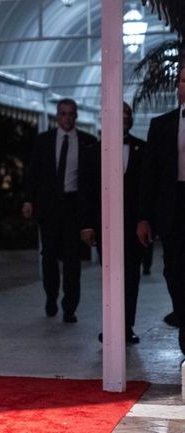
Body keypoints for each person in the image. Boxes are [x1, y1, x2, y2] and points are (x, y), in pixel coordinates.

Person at [22, 98, 98, 323]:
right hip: (50, 206)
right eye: (63, 113)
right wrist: (28, 200)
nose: (67, 118)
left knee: (73, 259)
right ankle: (51, 296)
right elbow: (33, 173)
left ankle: (70, 306)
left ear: (76, 116)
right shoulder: (44, 141)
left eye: (71, 113)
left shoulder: (87, 142)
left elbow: (92, 181)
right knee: (49, 257)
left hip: (74, 205)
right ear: (57, 116)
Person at [81, 102, 145, 344]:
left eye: (128, 113)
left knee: (132, 277)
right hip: (105, 225)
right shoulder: (93, 151)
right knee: (109, 277)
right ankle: (111, 326)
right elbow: (87, 191)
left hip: (134, 226)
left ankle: (127, 327)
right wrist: (87, 225)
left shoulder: (142, 148)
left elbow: (147, 190)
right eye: (120, 112)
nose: (125, 117)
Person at [138, 66, 185, 354]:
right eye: (183, 80)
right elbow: (149, 176)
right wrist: (144, 217)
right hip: (173, 206)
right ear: (177, 86)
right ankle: (182, 311)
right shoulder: (161, 125)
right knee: (173, 269)